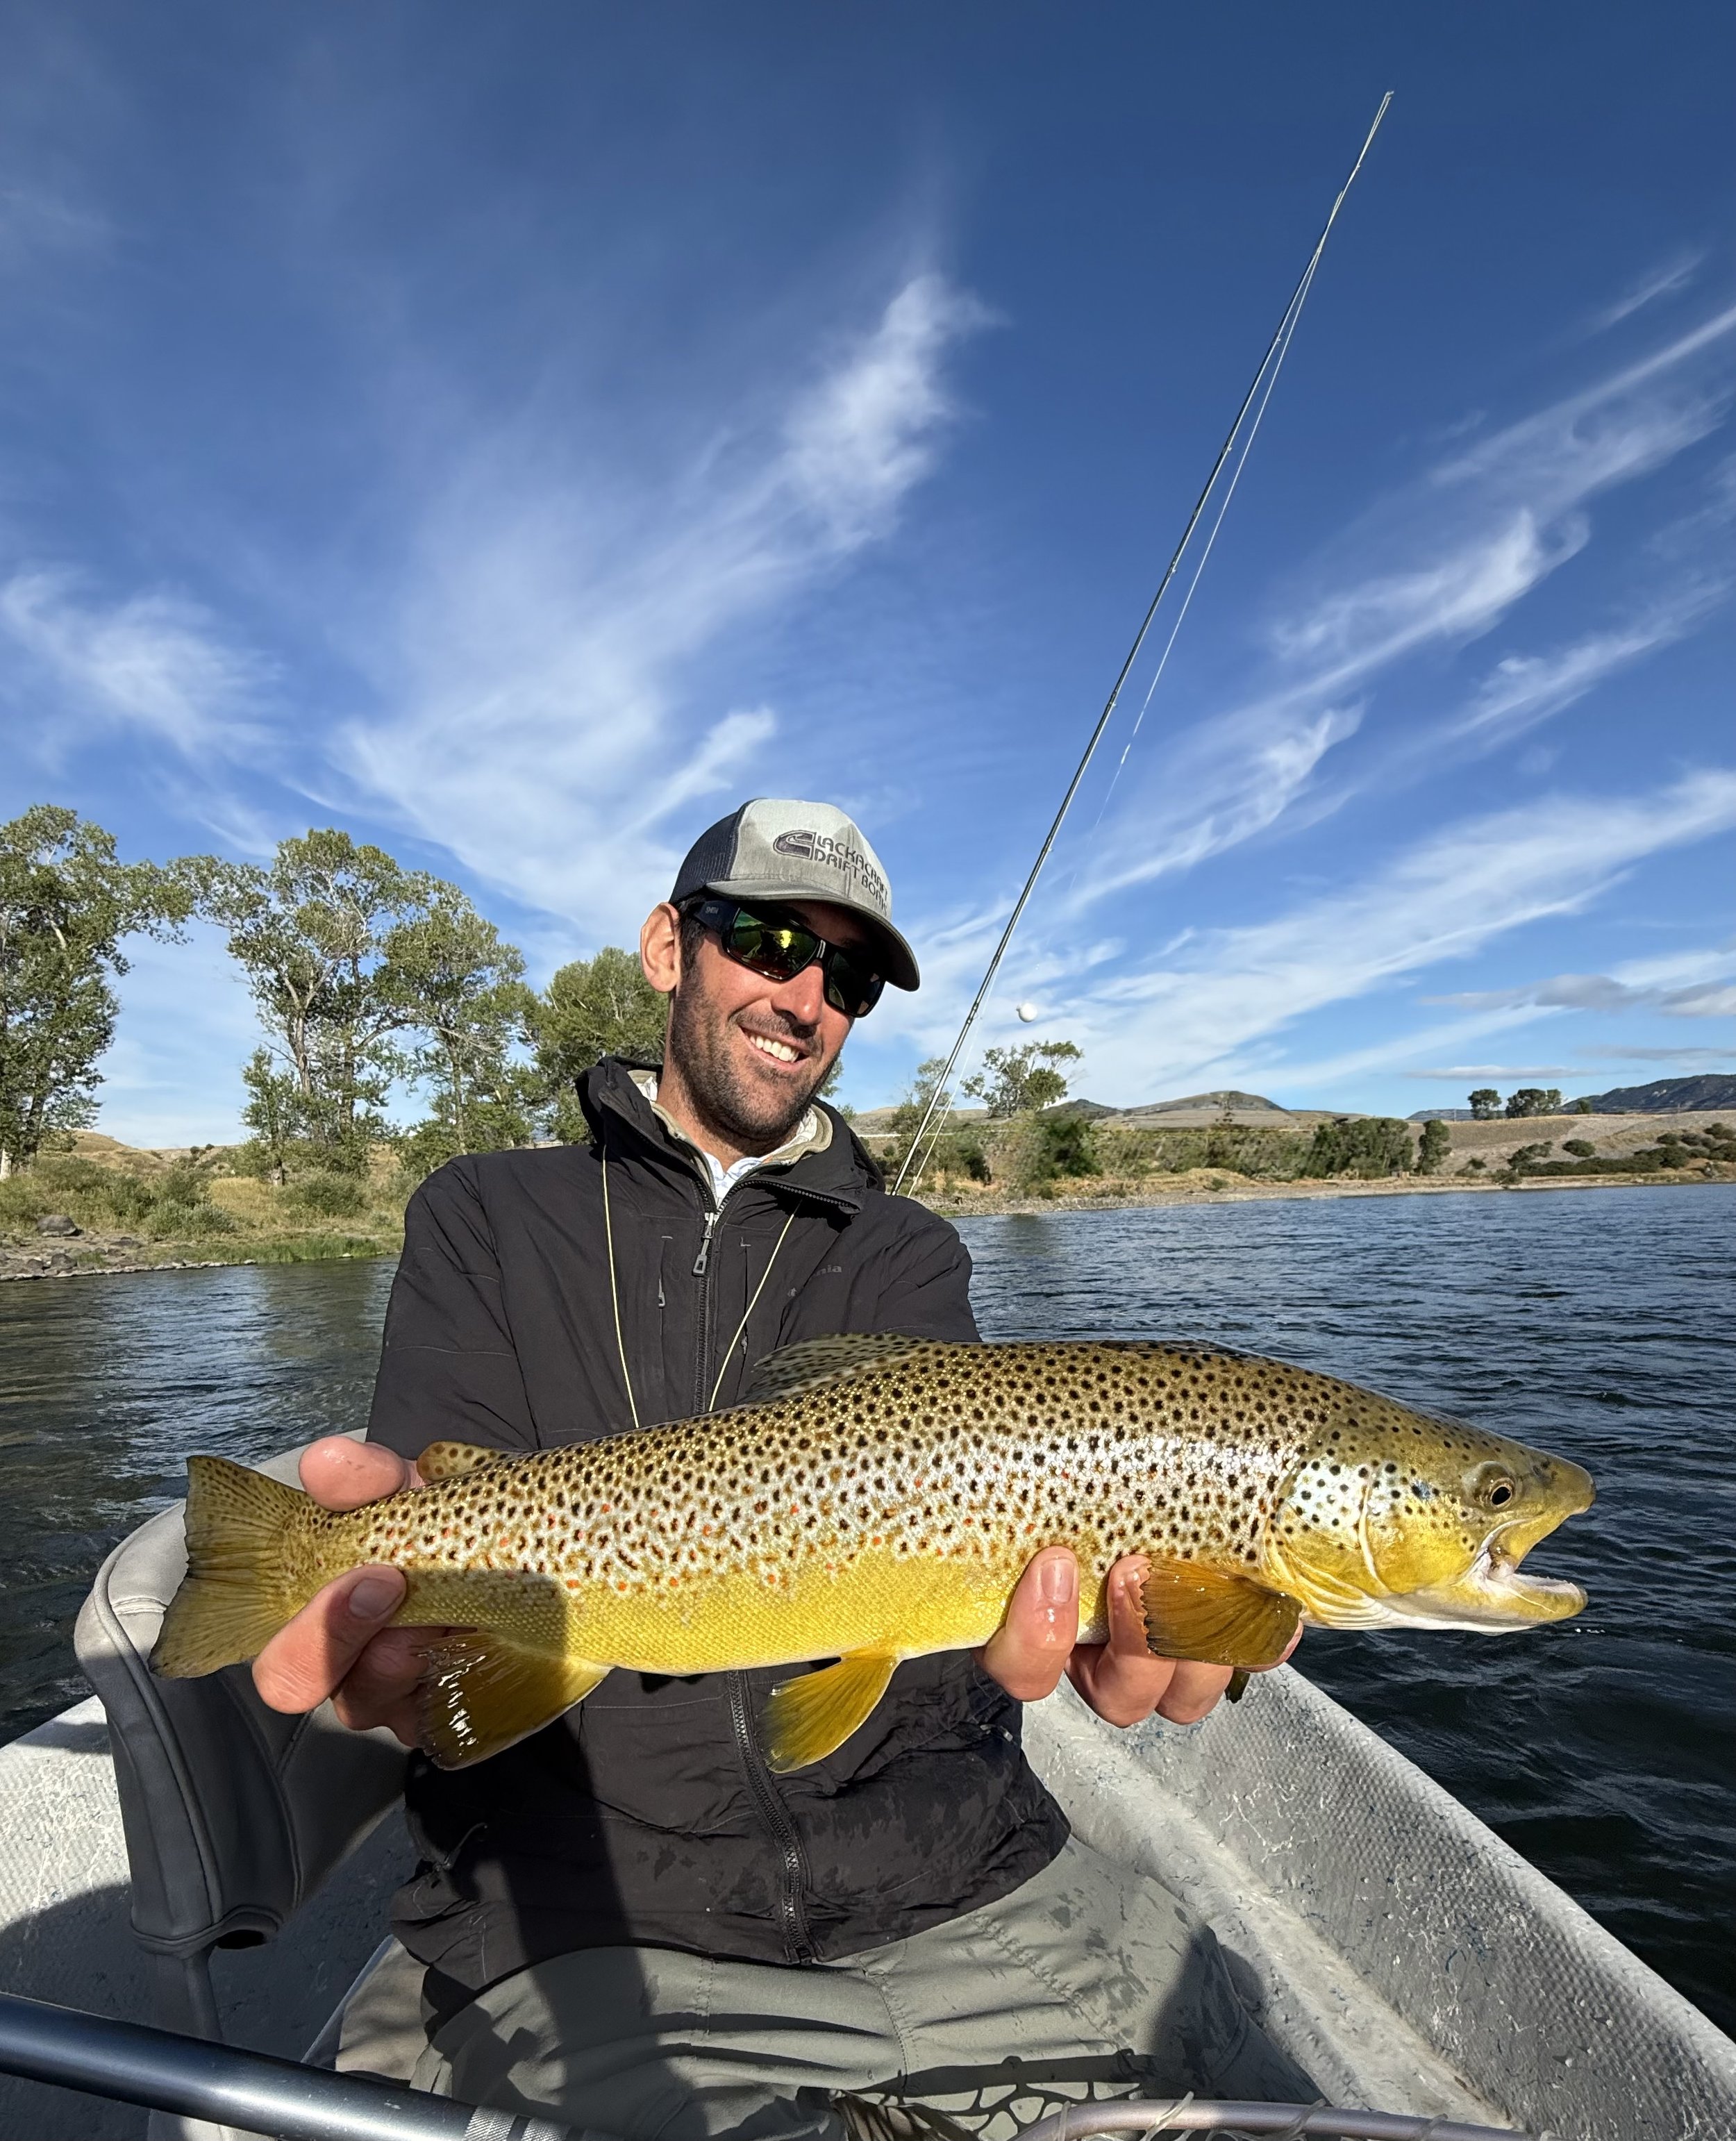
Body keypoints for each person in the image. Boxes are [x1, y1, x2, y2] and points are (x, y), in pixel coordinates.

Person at [254, 798, 1309, 2137]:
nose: (805, 994)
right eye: (763, 939)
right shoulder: (485, 1213)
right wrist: (399, 1635)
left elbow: (951, 1545)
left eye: (849, 974)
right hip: (600, 1929)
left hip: (972, 1889)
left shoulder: (910, 1253)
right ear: (665, 946)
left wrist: (1141, 1618)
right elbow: (441, 1567)